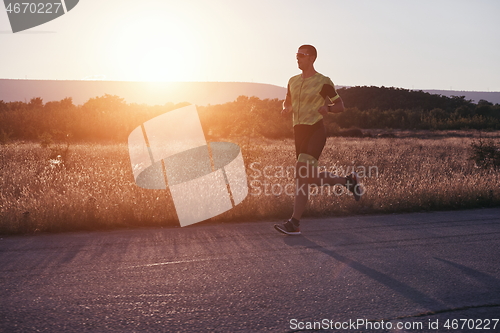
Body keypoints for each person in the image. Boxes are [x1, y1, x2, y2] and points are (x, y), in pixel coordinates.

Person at [274, 45, 363, 236]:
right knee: (308, 177)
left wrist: (328, 109)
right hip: (298, 132)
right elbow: (287, 102)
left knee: (301, 175)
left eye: (301, 55)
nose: (297, 58)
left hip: (315, 130)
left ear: (312, 58)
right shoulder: (292, 81)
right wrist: (286, 109)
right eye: (296, 55)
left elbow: (340, 105)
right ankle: (348, 181)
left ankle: (294, 223)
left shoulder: (323, 82)